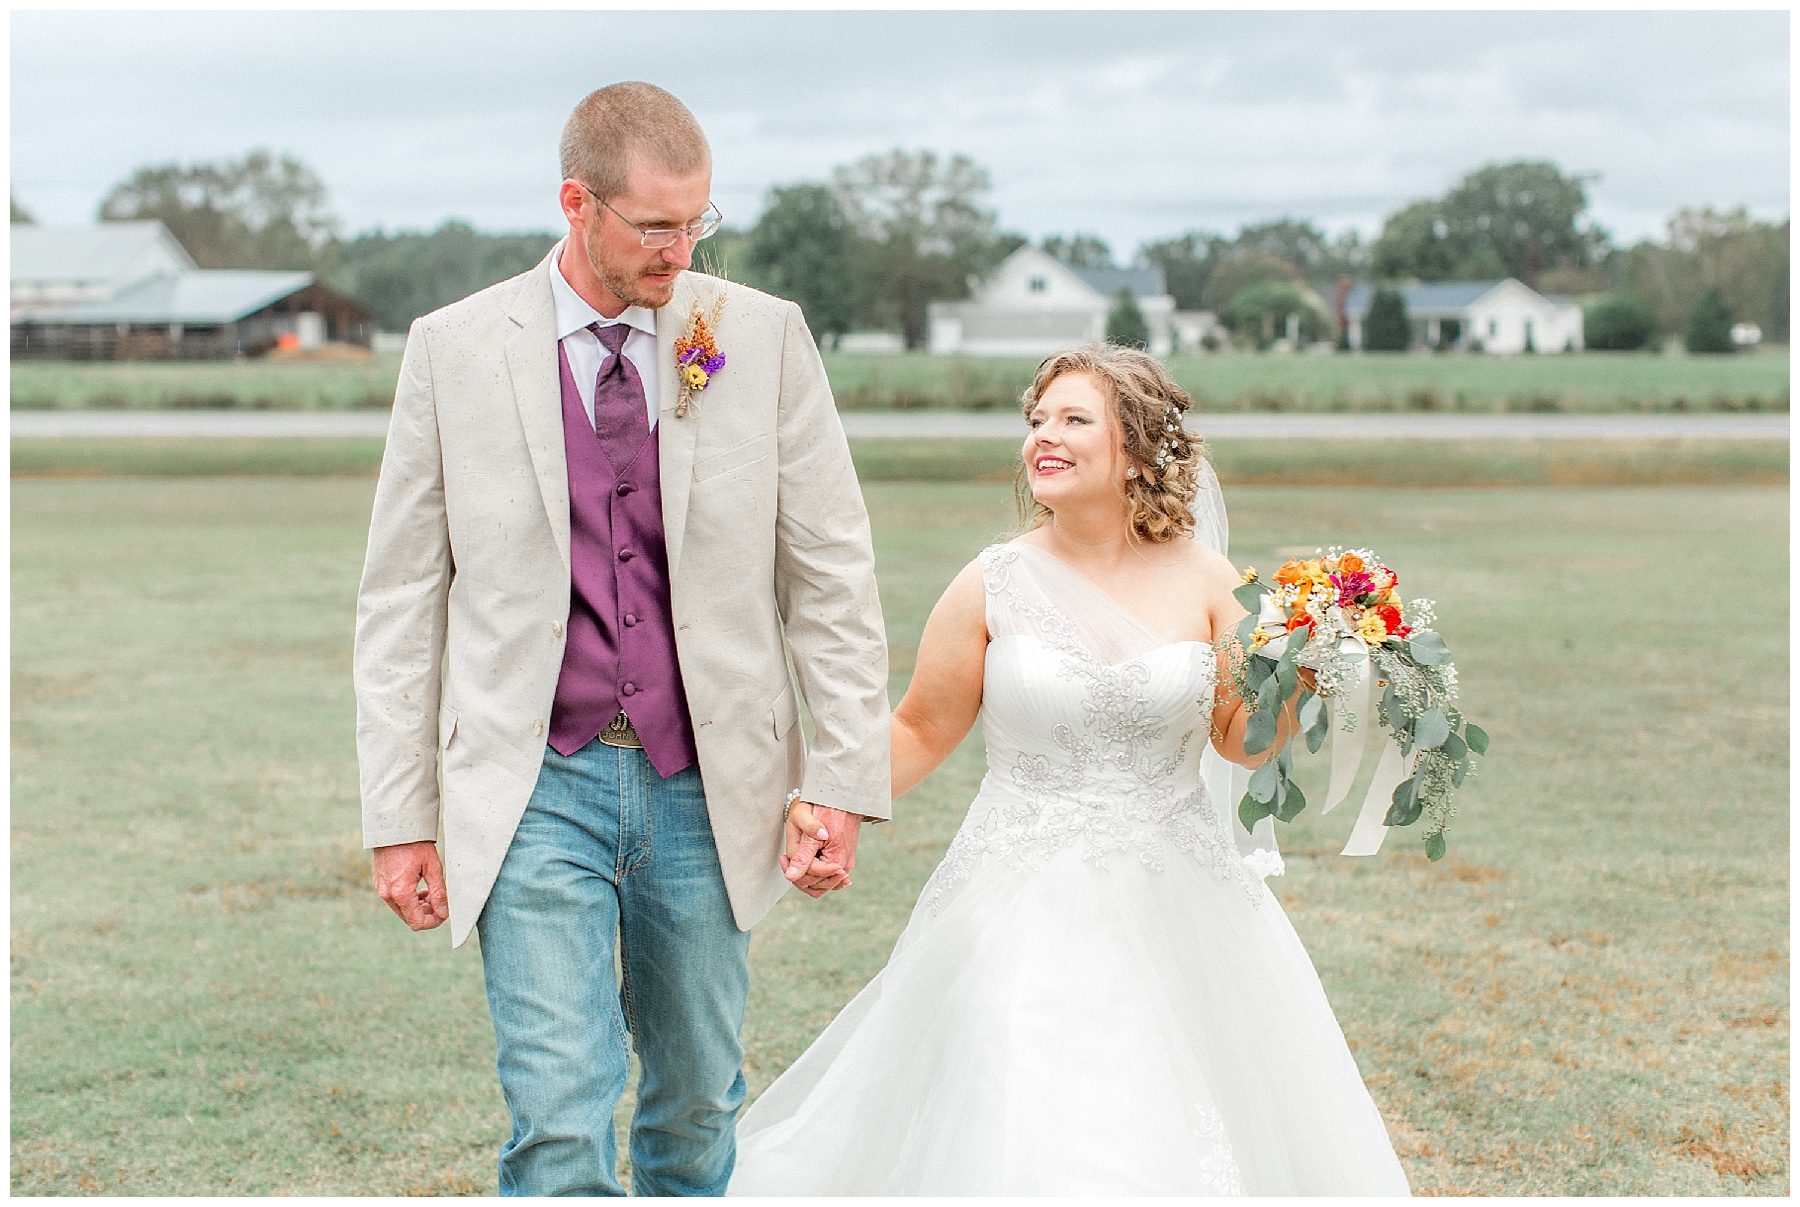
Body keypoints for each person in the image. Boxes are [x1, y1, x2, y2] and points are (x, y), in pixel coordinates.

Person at [353, 81, 889, 1197]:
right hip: (534, 783)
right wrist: (400, 814)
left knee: (696, 1107)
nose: (679, 250)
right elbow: (403, 598)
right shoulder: (451, 351)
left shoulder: (759, 336)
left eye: (698, 222)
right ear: (575, 204)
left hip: (709, 784)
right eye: (655, 226)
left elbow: (830, 572)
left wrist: (841, 777)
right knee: (557, 1111)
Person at [728, 345, 1411, 1195]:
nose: (1043, 437)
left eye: (1073, 420)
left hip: (1179, 897)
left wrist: (1307, 665)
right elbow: (917, 728)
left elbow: (1240, 740)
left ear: (1134, 448)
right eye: (1037, 420)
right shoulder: (993, 581)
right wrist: (825, 802)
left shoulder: (1210, 581)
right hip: (1016, 893)